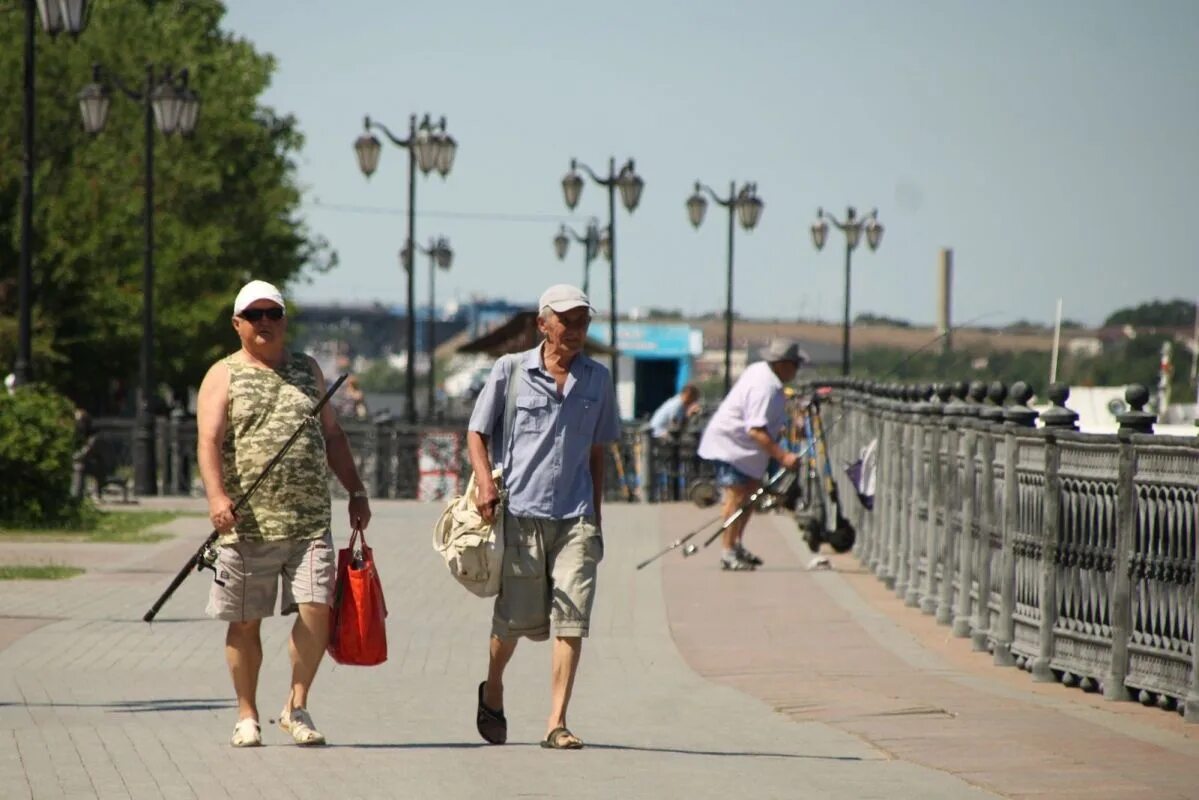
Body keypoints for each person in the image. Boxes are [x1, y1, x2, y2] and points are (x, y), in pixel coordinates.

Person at [196, 279, 372, 748]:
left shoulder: (308, 369)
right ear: (238, 324)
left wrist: (356, 489)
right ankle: (246, 713)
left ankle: (296, 705)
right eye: (254, 315)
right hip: (247, 523)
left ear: (284, 320)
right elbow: (208, 441)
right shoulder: (223, 374)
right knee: (246, 620)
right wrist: (216, 498)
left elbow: (333, 436)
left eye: (273, 313)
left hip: (309, 520)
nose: (265, 322)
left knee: (318, 609)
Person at [465, 283, 619, 750]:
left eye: (582, 321)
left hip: (575, 517)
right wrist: (486, 485)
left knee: (572, 618)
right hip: (521, 516)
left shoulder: (598, 379)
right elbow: (475, 432)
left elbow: (598, 452)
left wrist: (596, 513)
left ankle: (556, 722)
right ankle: (493, 687)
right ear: (543, 324)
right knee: (515, 623)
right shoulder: (510, 372)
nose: (575, 329)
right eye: (566, 320)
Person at [696, 339, 807, 571]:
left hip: (746, 451)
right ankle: (727, 552)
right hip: (732, 445)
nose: (797, 370)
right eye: (795, 365)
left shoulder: (764, 374)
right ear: (783, 364)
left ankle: (735, 544)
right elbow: (755, 429)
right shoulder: (764, 386)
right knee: (736, 497)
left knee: (752, 493)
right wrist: (783, 456)